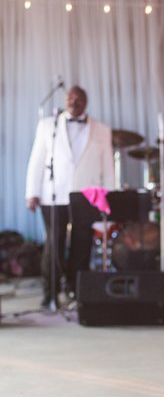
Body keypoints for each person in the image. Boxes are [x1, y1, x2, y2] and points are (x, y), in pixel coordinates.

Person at [24, 85, 113, 307]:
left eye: (79, 98)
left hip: (87, 194)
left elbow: (108, 166)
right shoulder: (47, 126)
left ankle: (77, 290)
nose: (74, 101)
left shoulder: (102, 129)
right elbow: (37, 159)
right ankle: (50, 293)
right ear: (65, 101)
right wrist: (32, 192)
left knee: (82, 243)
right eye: (71, 98)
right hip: (52, 193)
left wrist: (108, 198)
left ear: (86, 102)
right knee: (54, 242)